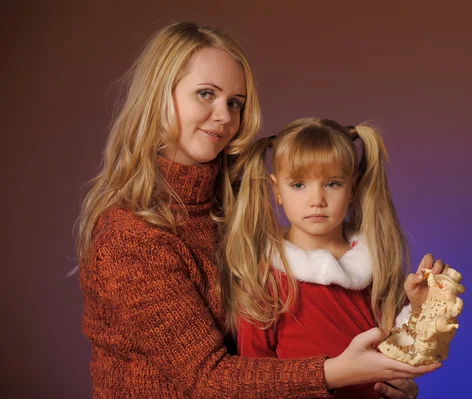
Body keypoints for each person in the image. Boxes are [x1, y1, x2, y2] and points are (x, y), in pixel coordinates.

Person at [76, 22, 440, 398]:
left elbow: (306, 331)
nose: (224, 116)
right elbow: (209, 380)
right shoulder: (130, 237)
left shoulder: (236, 205)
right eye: (206, 94)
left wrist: (378, 380)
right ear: (158, 97)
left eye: (235, 102)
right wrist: (336, 374)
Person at [225, 117, 445, 398]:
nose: (317, 199)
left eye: (331, 183)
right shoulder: (262, 276)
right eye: (298, 185)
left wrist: (419, 309)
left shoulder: (375, 265)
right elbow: (253, 380)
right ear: (277, 190)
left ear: (352, 188)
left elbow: (399, 351)